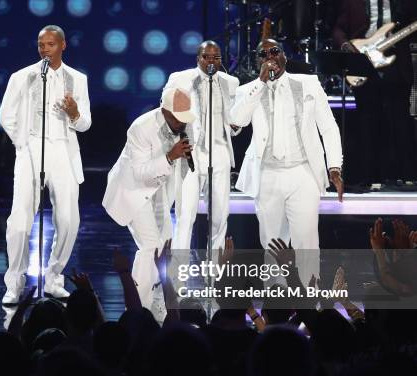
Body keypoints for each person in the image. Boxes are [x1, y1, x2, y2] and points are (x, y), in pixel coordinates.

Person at [230, 39, 344, 285]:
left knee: (307, 243)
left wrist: (334, 166)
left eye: (275, 51)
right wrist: (260, 83)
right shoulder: (247, 90)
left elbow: (329, 127)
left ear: (284, 55)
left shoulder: (308, 84)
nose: (270, 57)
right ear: (257, 61)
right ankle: (276, 308)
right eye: (264, 54)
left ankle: (309, 305)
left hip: (302, 172)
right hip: (267, 174)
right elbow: (236, 122)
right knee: (272, 244)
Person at [0, 25, 91, 303]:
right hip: (29, 149)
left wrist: (74, 113)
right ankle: (14, 283)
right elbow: (6, 115)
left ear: (62, 45)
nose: (45, 49)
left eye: (50, 44)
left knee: (68, 219)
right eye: (41, 44)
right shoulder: (22, 77)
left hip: (63, 149)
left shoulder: (78, 79)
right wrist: (22, 142)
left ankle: (53, 277)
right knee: (19, 222)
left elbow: (85, 124)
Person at [103, 87, 195, 320]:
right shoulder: (141, 128)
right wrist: (170, 156)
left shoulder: (185, 127)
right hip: (134, 190)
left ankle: (158, 304)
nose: (182, 123)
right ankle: (137, 310)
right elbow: (140, 172)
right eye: (177, 118)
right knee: (151, 248)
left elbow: (181, 170)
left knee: (165, 248)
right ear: (165, 111)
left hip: (159, 192)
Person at [163, 40, 241, 252]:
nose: (211, 61)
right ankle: (178, 276)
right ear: (198, 58)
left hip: (220, 152)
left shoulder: (231, 82)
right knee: (185, 215)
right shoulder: (180, 79)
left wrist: (236, 126)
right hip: (191, 154)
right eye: (206, 57)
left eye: (216, 58)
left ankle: (215, 273)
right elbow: (165, 109)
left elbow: (236, 121)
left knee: (219, 216)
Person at [332, 0, 416, 184]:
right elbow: (338, 28)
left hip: (396, 62)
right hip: (363, 60)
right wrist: (346, 46)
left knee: (400, 118)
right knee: (367, 119)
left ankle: (405, 176)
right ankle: (369, 177)